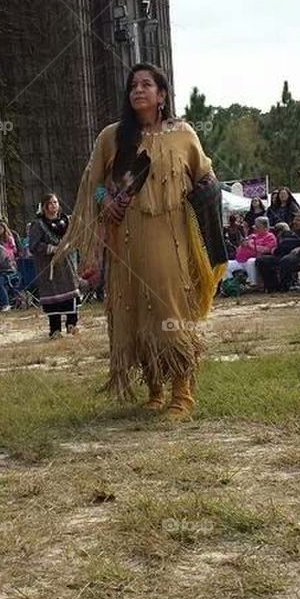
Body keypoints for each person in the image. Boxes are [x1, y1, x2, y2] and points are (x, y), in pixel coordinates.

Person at [55, 63, 226, 417]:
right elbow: (95, 183)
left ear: (161, 94)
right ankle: (154, 389)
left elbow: (206, 178)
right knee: (134, 310)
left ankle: (182, 393)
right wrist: (107, 203)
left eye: (147, 84)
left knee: (169, 307)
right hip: (126, 239)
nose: (138, 90)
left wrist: (203, 215)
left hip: (171, 235)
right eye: (133, 85)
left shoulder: (183, 134)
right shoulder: (112, 137)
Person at [29, 194, 80, 337]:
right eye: (50, 203)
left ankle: (72, 324)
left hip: (66, 264)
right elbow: (33, 246)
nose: (54, 205)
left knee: (71, 293)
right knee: (54, 297)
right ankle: (55, 329)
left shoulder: (66, 221)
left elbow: (75, 237)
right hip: (49, 267)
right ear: (44, 206)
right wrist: (50, 248)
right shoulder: (38, 224)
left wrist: (69, 245)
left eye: (56, 202)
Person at [225, 217, 277, 287]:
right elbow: (238, 249)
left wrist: (250, 245)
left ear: (265, 227)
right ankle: (231, 284)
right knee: (225, 265)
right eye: (255, 226)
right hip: (241, 260)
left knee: (251, 261)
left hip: (255, 259)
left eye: (258, 226)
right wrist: (242, 245)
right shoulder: (252, 235)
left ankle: (253, 283)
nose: (255, 228)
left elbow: (267, 249)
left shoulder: (270, 236)